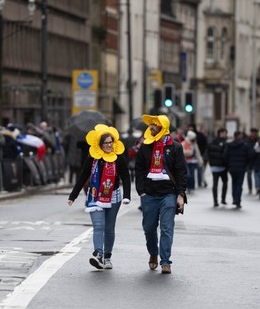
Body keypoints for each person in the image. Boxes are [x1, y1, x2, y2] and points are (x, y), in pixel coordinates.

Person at [67, 124, 131, 270]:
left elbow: (126, 178)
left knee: (109, 228)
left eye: (111, 142)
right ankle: (98, 254)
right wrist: (73, 196)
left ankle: (107, 257)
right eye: (106, 143)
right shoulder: (93, 158)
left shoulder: (118, 158)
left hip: (113, 196)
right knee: (98, 226)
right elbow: (83, 176)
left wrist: (127, 196)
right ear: (100, 145)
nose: (109, 145)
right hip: (95, 196)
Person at [135, 114, 187, 274]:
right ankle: (153, 253)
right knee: (149, 228)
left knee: (166, 228)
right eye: (150, 125)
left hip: (168, 194)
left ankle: (166, 261)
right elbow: (139, 169)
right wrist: (141, 191)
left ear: (162, 127)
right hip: (149, 194)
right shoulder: (145, 146)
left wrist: (180, 195)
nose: (151, 127)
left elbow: (181, 172)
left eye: (154, 125)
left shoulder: (175, 147)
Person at [223, 130, 255, 209]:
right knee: (239, 184)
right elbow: (250, 155)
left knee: (234, 183)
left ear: (234, 136)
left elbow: (225, 156)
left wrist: (228, 164)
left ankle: (234, 198)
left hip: (232, 168)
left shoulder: (229, 145)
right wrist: (246, 164)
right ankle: (238, 201)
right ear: (240, 136)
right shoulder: (245, 145)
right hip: (241, 167)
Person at [207, 128, 228, 207]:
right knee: (223, 182)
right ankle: (221, 199)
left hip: (215, 166)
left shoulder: (212, 142)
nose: (225, 135)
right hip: (222, 166)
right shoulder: (224, 143)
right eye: (225, 133)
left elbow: (209, 152)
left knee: (217, 183)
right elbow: (225, 155)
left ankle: (217, 200)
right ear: (221, 133)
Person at [245, 128, 258, 194]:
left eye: (254, 133)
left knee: (256, 176)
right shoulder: (247, 140)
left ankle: (257, 188)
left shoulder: (258, 140)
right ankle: (250, 189)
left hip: (256, 160)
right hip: (249, 160)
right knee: (249, 176)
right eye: (252, 132)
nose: (253, 134)